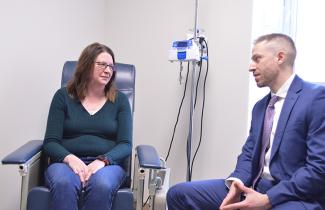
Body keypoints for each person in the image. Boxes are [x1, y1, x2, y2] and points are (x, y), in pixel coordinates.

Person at [167, 33, 325, 210]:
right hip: (254, 186)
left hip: (295, 196)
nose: (251, 67)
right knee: (179, 194)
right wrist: (237, 182)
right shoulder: (260, 107)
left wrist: (268, 199)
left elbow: (318, 169)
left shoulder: (316, 98)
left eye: (257, 59)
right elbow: (249, 154)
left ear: (280, 57)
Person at [42, 42, 132, 210]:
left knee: (102, 185)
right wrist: (70, 158)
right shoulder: (63, 96)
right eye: (102, 64)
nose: (107, 70)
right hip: (65, 164)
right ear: (86, 65)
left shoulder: (120, 100)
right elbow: (51, 142)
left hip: (107, 166)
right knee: (64, 183)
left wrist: (103, 161)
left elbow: (125, 144)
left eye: (111, 66)